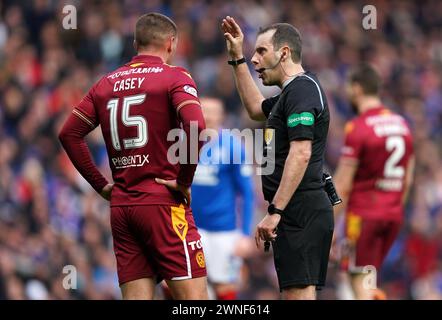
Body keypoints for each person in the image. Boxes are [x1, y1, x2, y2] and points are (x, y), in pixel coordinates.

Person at [58, 13, 208, 300]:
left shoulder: (106, 83)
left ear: (135, 43)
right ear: (171, 43)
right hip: (162, 202)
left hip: (122, 206)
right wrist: (184, 179)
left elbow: (68, 133)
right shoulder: (175, 76)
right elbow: (195, 125)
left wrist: (101, 185)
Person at [221, 16, 334, 300]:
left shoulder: (302, 90)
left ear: (284, 52)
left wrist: (275, 212)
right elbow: (255, 108)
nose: (255, 59)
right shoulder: (289, 94)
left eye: (261, 51)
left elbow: (301, 151)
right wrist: (237, 59)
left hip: (300, 208)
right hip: (296, 209)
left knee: (298, 294)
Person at [333, 64, 415, 300]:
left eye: (349, 88)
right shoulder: (402, 125)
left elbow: (343, 184)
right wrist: (394, 207)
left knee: (358, 278)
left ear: (357, 89)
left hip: (363, 216)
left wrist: (330, 226)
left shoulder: (358, 127)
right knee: (369, 275)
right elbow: (407, 179)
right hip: (392, 215)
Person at [191, 97, 255, 300]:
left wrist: (245, 234)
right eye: (203, 111)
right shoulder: (185, 144)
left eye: (213, 111)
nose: (207, 116)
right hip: (191, 228)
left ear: (222, 116)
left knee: (223, 286)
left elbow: (247, 193)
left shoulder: (233, 147)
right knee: (186, 285)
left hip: (224, 231)